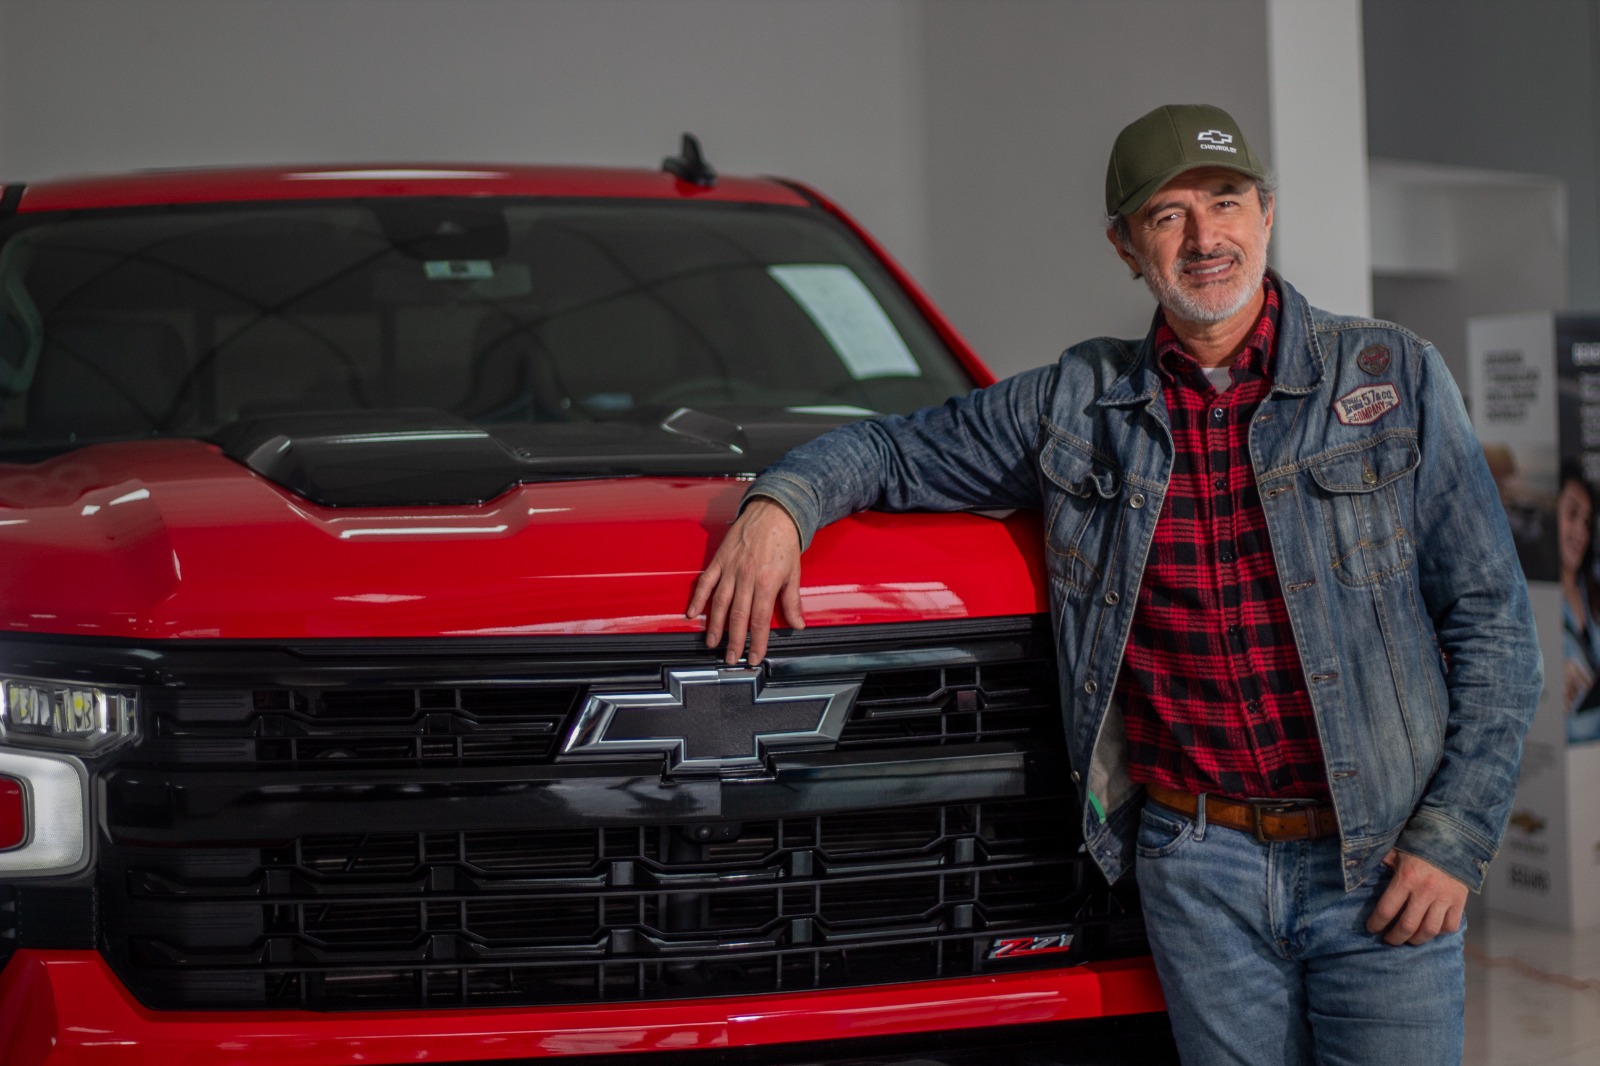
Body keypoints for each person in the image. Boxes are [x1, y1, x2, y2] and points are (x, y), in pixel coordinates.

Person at [686, 103, 1541, 1066]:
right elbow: (890, 446)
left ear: (1265, 212)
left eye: (1224, 202)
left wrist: (1453, 837)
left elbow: (1495, 628)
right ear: (1127, 247)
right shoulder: (1073, 407)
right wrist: (781, 506)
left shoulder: (1394, 378)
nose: (1205, 237)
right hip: (1199, 872)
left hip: (1381, 861)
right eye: (1166, 216)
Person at [1557, 465, 1600, 741]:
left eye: (1586, 521)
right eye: (1572, 515)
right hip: (1567, 759)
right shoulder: (1531, 601)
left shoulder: (1593, 581)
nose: (1580, 533)